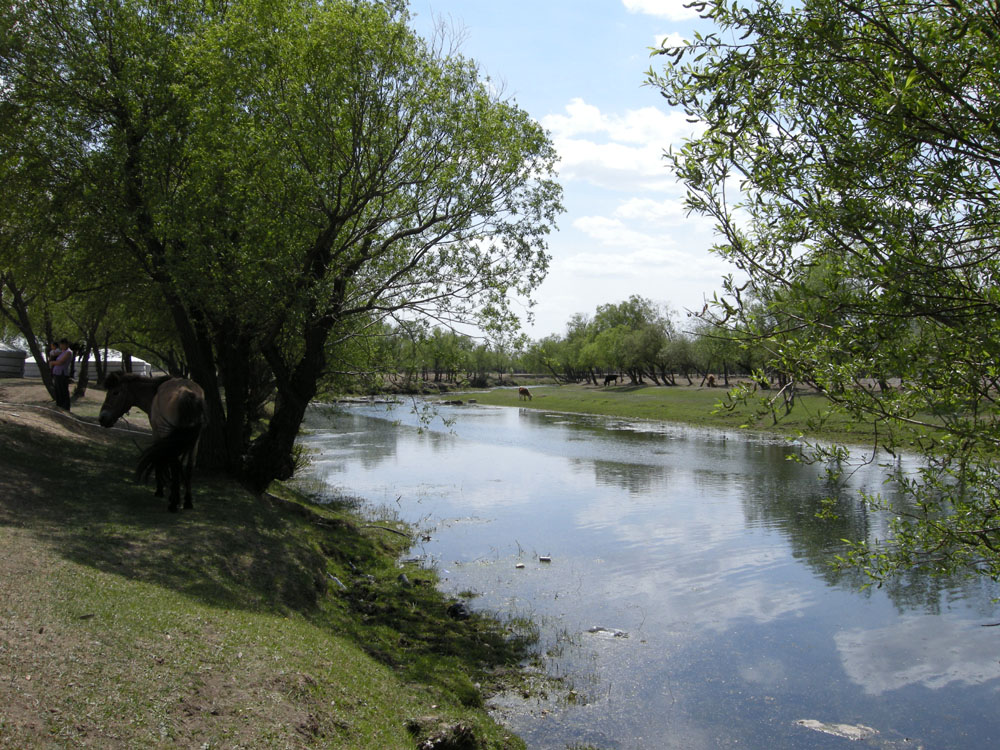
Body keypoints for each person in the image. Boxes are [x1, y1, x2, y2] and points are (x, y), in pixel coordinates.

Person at [49, 338, 73, 411]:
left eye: (63, 344)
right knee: (58, 390)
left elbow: (61, 362)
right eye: (60, 345)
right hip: (57, 373)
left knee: (63, 390)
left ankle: (65, 407)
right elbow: (54, 354)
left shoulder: (68, 352)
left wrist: (52, 363)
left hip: (62, 373)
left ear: (66, 344)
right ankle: (59, 406)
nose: (61, 346)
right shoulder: (62, 352)